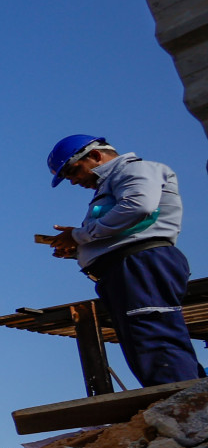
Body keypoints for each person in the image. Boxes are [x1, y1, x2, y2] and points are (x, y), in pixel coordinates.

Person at [42, 135, 203, 388]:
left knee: (155, 340)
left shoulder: (135, 170)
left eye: (72, 171)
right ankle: (189, 399)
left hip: (140, 264)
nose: (73, 181)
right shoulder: (112, 184)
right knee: (147, 342)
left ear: (95, 155)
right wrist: (79, 249)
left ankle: (183, 403)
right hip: (131, 267)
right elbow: (123, 229)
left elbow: (138, 207)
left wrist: (78, 236)